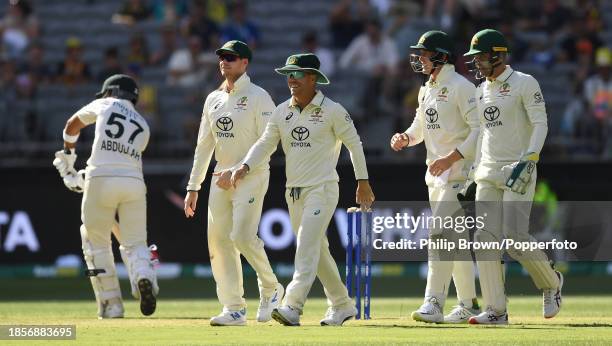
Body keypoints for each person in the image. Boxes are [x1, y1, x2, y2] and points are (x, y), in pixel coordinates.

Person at [231, 53, 375, 326]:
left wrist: (363, 181)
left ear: (313, 78)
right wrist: (245, 166)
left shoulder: (333, 110)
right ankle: (342, 305)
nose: (291, 79)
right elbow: (264, 144)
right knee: (318, 251)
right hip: (293, 192)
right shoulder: (281, 111)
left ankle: (292, 306)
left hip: (322, 189)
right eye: (289, 74)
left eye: (297, 74)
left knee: (306, 247)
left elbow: (354, 145)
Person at [462, 29, 563, 325]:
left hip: (518, 168)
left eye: (481, 57)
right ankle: (496, 310)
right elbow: (483, 134)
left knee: (515, 239)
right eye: (475, 58)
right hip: (488, 172)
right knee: (484, 239)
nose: (477, 63)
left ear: (498, 55)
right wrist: (473, 173)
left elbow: (540, 123)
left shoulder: (524, 82)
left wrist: (530, 158)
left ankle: (552, 283)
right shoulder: (481, 90)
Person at [183, 40, 283, 326]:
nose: (224, 61)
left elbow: (269, 141)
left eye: (231, 57)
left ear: (245, 63)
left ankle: (271, 287)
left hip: (251, 174)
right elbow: (204, 146)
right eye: (222, 57)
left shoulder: (259, 96)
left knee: (241, 236)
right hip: (219, 177)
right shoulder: (213, 99)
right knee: (218, 241)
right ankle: (234, 308)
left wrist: (241, 169)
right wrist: (194, 187)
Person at [390, 30, 481, 324]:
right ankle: (467, 303)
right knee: (454, 242)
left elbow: (479, 130)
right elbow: (421, 124)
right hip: (437, 176)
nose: (419, 59)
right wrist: (406, 136)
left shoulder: (461, 86)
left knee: (440, 237)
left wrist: (451, 158)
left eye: (424, 54)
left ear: (441, 56)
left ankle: (434, 302)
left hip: (459, 175)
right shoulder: (427, 87)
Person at [52, 74, 158, 319]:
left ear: (111, 92)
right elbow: (120, 158)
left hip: (101, 178)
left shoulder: (105, 103)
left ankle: (112, 305)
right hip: (133, 182)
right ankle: (143, 275)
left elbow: (71, 125)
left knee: (95, 243)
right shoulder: (143, 124)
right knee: (135, 243)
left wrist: (69, 157)